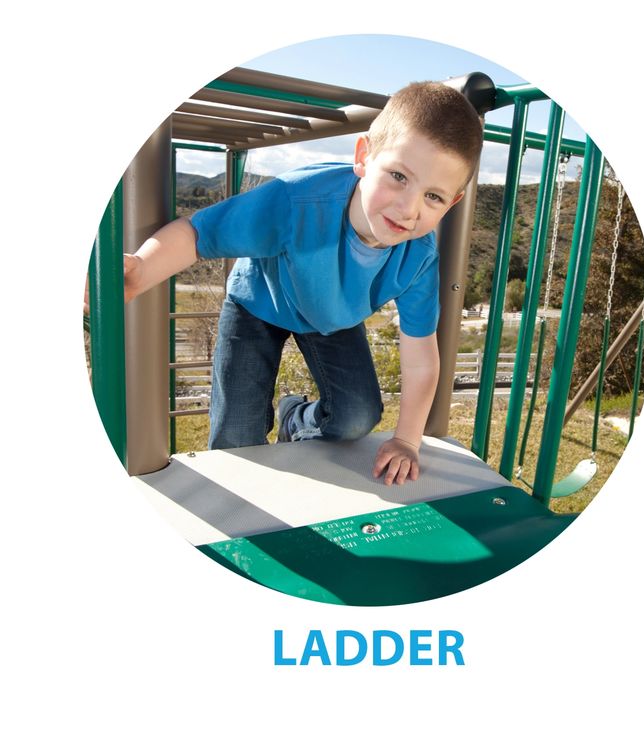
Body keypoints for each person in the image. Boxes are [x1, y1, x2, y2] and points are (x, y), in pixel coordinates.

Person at [121, 81, 483, 486]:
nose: (409, 207)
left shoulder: (419, 256)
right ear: (363, 157)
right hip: (260, 302)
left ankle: (295, 416)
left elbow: (421, 358)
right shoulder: (295, 202)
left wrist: (408, 441)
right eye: (398, 176)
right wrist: (141, 269)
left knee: (356, 417)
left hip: (330, 316)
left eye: (433, 196)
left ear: (452, 202)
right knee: (236, 439)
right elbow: (197, 233)